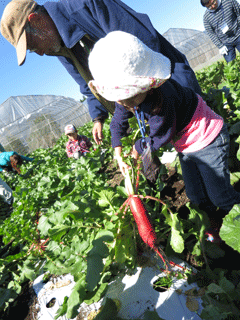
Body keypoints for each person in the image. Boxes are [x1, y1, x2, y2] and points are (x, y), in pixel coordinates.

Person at [88, 31, 240, 241]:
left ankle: (235, 222)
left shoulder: (162, 100)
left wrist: (138, 148)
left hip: (206, 138)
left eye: (128, 98)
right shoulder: (127, 98)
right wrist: (117, 150)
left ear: (147, 86)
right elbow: (118, 120)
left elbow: (162, 136)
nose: (123, 104)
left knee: (220, 195)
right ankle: (212, 226)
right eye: (119, 99)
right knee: (196, 195)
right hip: (186, 144)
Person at [1, 0, 202, 146]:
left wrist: (145, 100)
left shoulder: (84, 6)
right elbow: (86, 84)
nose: (40, 53)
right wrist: (98, 118)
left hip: (170, 85)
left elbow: (144, 43)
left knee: (203, 141)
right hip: (140, 105)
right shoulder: (59, 47)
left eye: (33, 45)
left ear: (36, 20)